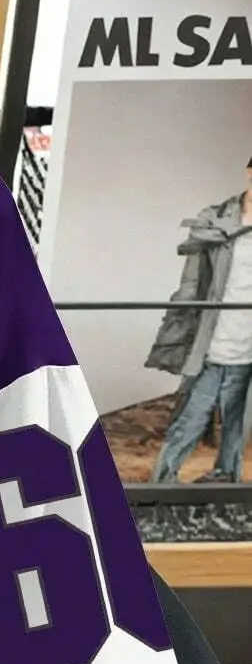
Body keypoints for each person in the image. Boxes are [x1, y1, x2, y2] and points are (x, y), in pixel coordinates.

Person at [148, 155, 252, 482]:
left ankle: (226, 479)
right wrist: (179, 329)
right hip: (212, 342)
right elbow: (191, 285)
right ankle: (161, 484)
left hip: (248, 347)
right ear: (249, 172)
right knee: (191, 416)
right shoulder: (216, 219)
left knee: (237, 422)